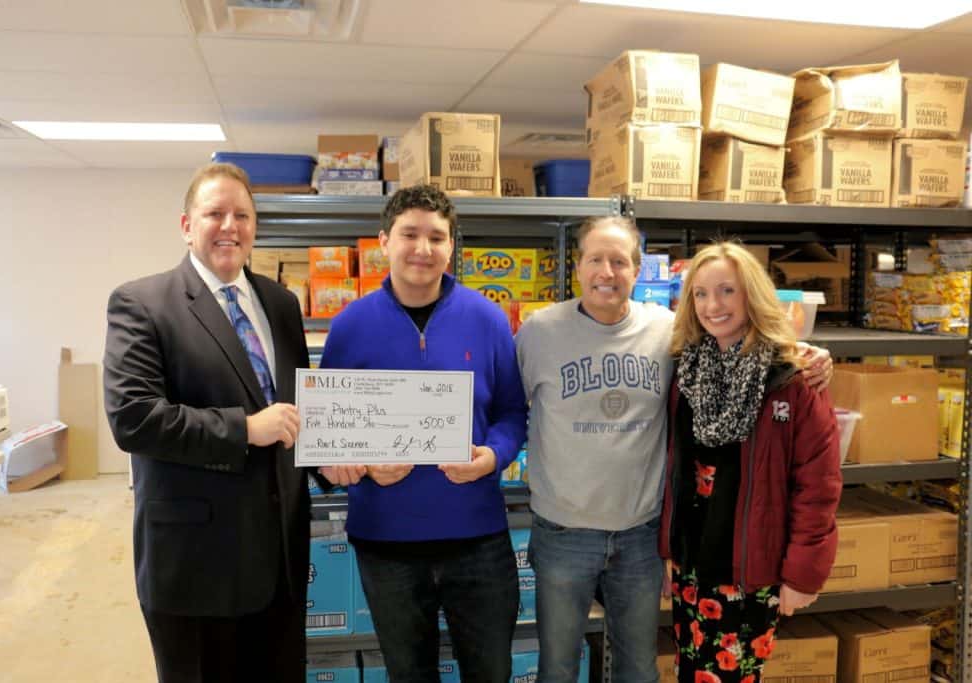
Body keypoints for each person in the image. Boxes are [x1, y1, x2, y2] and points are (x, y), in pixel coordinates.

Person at [515, 218, 833, 682]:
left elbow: (815, 477)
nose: (607, 271)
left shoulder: (670, 334)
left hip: (646, 539)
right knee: (559, 666)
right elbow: (506, 408)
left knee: (641, 667)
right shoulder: (538, 332)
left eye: (620, 261)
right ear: (576, 266)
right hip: (573, 536)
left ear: (638, 270)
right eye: (596, 260)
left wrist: (808, 354)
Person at [103, 162, 312, 682]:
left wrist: (341, 459)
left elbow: (298, 412)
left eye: (242, 214)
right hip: (196, 565)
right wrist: (244, 428)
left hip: (279, 559)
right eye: (214, 213)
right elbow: (134, 419)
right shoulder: (143, 303)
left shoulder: (281, 304)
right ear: (186, 226)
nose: (229, 226)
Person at [319, 184, 528, 682]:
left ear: (452, 246)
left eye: (437, 237)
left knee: (490, 672)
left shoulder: (488, 319)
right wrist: (364, 463)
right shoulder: (349, 326)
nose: (423, 248)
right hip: (386, 541)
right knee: (409, 674)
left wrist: (492, 456)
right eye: (409, 234)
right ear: (384, 241)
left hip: (476, 538)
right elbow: (327, 434)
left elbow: (513, 413)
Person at [659, 242, 842, 682]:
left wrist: (803, 575)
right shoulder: (687, 369)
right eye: (700, 294)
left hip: (750, 569)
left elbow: (817, 487)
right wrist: (667, 553)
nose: (712, 305)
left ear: (752, 296)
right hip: (692, 564)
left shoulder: (792, 378)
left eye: (727, 291)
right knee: (692, 671)